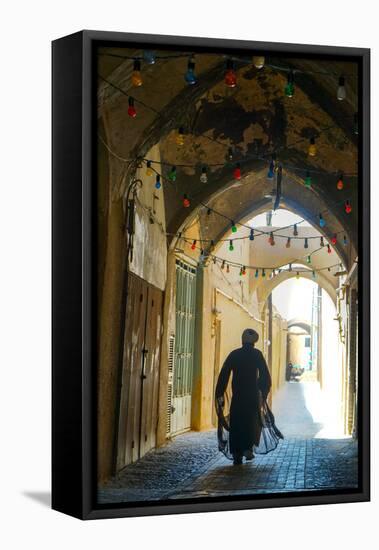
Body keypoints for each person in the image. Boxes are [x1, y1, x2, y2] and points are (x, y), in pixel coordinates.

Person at [215, 328, 283, 465]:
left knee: (236, 423)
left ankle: (237, 454)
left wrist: (220, 393)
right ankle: (248, 448)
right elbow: (266, 377)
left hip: (238, 396)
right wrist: (262, 392)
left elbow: (223, 375)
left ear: (242, 340)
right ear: (254, 342)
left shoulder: (234, 354)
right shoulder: (257, 354)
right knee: (251, 422)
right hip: (252, 396)